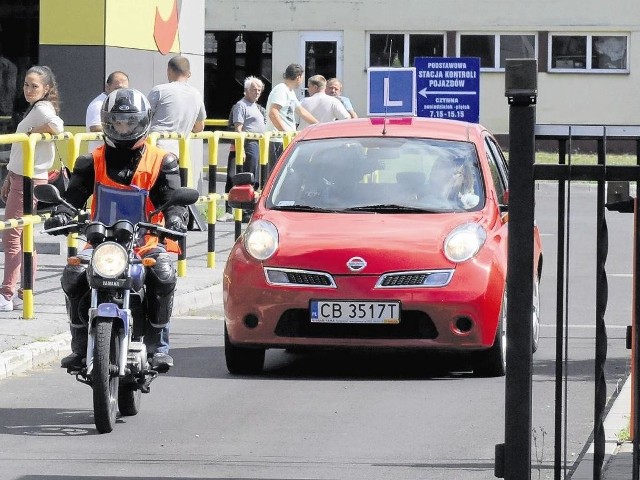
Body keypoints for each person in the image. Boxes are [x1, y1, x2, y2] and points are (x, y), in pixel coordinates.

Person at [44, 88, 189, 372]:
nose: (123, 128)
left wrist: (176, 219)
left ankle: (158, 347)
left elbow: (173, 200)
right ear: (107, 122)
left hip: (144, 242)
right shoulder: (90, 160)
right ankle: (79, 346)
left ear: (143, 122)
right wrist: (61, 214)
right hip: (101, 243)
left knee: (163, 273)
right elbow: (72, 198)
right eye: (117, 122)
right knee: (73, 273)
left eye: (130, 122)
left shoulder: (163, 160)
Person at [0, 65, 64, 312]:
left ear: (47, 89)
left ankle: (8, 293)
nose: (28, 89)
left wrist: (33, 132)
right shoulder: (35, 108)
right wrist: (9, 176)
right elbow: (19, 150)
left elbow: (57, 126)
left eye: (34, 86)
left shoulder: (43, 108)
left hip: (28, 180)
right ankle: (21, 292)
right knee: (24, 236)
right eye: (26, 84)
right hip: (21, 177)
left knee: (13, 236)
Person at [148, 55, 206, 189]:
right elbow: (199, 127)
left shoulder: (160, 90)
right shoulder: (196, 95)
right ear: (189, 73)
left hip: (156, 151)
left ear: (169, 70)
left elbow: (143, 120)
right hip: (180, 154)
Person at [223, 76, 266, 220]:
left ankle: (248, 208)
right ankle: (241, 210)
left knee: (253, 175)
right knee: (245, 176)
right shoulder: (241, 105)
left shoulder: (258, 107)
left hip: (256, 143)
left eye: (259, 90)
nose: (257, 92)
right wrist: (241, 149)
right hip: (247, 143)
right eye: (254, 90)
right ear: (246, 90)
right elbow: (238, 128)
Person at [265, 63, 317, 172]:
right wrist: (284, 133)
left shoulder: (290, 92)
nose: (302, 80)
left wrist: (318, 125)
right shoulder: (281, 90)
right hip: (278, 140)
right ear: (298, 77)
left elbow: (301, 111)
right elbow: (273, 113)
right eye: (302, 77)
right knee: (278, 173)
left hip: (286, 139)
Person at [85, 70, 129, 151]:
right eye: (117, 88)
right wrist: (122, 128)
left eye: (124, 89)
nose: (121, 92)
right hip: (100, 156)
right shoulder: (99, 104)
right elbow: (95, 127)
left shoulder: (119, 104)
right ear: (107, 87)